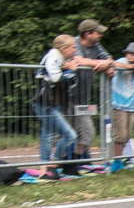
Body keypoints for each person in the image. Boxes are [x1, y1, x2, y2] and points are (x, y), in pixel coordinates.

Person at [32, 34, 81, 179]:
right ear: (64, 48)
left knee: (47, 136)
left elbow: (73, 82)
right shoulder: (53, 56)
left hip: (56, 103)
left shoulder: (62, 58)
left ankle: (44, 170)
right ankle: (54, 162)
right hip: (46, 104)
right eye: (73, 47)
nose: (75, 50)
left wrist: (68, 68)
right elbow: (55, 77)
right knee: (71, 135)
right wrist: (71, 70)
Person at [70, 19, 114, 161]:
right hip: (66, 98)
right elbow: (79, 61)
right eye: (98, 32)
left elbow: (109, 59)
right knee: (64, 134)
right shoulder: (73, 43)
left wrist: (108, 64)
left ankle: (74, 162)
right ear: (88, 34)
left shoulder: (97, 45)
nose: (101, 34)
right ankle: (55, 165)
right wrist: (99, 63)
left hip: (83, 99)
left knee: (88, 133)